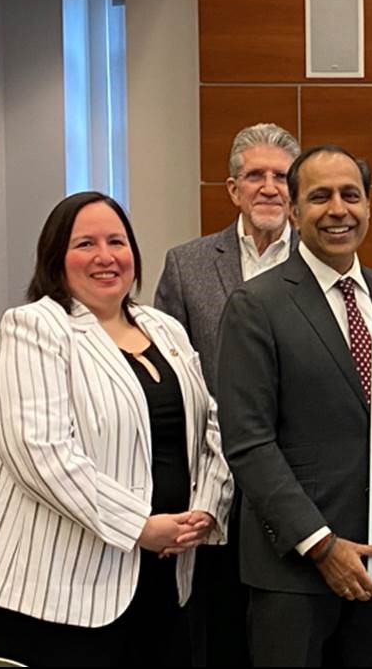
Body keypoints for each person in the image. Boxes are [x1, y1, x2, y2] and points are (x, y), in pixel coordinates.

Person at [0, 192, 234, 667]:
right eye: (85, 244)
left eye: (116, 242)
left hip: (162, 568)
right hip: (50, 585)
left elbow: (211, 426)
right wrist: (140, 526)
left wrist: (204, 510)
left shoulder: (164, 327)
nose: (105, 257)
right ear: (55, 258)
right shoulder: (32, 328)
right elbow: (41, 455)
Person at [216, 145, 372, 667]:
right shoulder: (256, 304)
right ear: (293, 210)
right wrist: (322, 545)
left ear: (369, 206)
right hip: (295, 569)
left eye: (351, 195)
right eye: (320, 196)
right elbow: (249, 443)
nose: (338, 210)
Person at [155, 122, 300, 667]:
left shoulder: (320, 260)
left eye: (281, 177)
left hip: (296, 480)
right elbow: (166, 373)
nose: (269, 187)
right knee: (217, 632)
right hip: (213, 485)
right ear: (233, 189)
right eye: (255, 175)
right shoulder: (186, 264)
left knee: (286, 633)